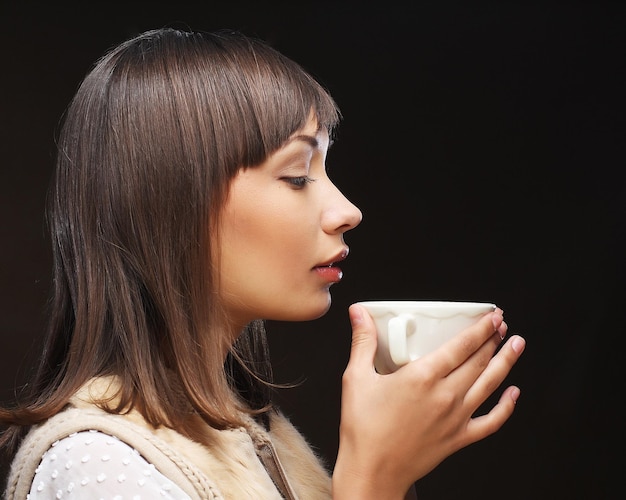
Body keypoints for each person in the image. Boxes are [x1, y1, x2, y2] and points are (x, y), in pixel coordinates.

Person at [0, 27, 525, 499]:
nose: (348, 211)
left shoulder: (253, 437)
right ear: (171, 204)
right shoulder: (99, 465)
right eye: (298, 175)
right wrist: (374, 480)